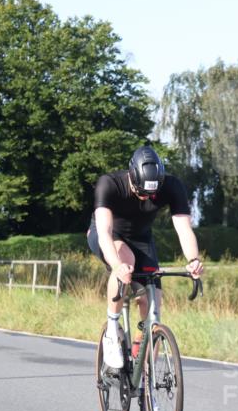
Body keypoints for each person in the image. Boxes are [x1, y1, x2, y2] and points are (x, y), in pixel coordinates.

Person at [87, 143, 203, 370]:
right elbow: (104, 233)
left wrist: (193, 260)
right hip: (108, 236)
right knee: (126, 262)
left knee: (152, 305)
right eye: (140, 192)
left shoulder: (172, 186)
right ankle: (112, 330)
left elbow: (183, 229)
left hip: (142, 240)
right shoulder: (109, 184)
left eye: (151, 194)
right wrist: (117, 265)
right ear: (131, 177)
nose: (145, 198)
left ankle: (147, 377)